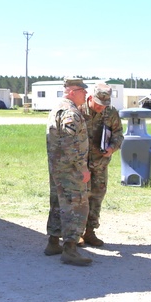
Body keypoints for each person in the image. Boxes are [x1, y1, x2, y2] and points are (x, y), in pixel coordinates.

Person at [44, 78, 93, 266]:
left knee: (57, 202)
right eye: (82, 90)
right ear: (72, 91)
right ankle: (70, 249)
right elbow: (70, 142)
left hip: (58, 167)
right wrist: (82, 168)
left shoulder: (58, 108)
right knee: (77, 205)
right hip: (70, 169)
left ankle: (53, 242)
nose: (86, 94)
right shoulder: (70, 112)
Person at [80, 83, 124, 247]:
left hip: (100, 163)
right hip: (81, 164)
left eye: (104, 104)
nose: (101, 108)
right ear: (90, 98)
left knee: (97, 196)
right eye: (98, 104)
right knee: (80, 197)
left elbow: (119, 133)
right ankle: (76, 233)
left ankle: (90, 232)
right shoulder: (79, 110)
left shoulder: (111, 112)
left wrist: (112, 147)